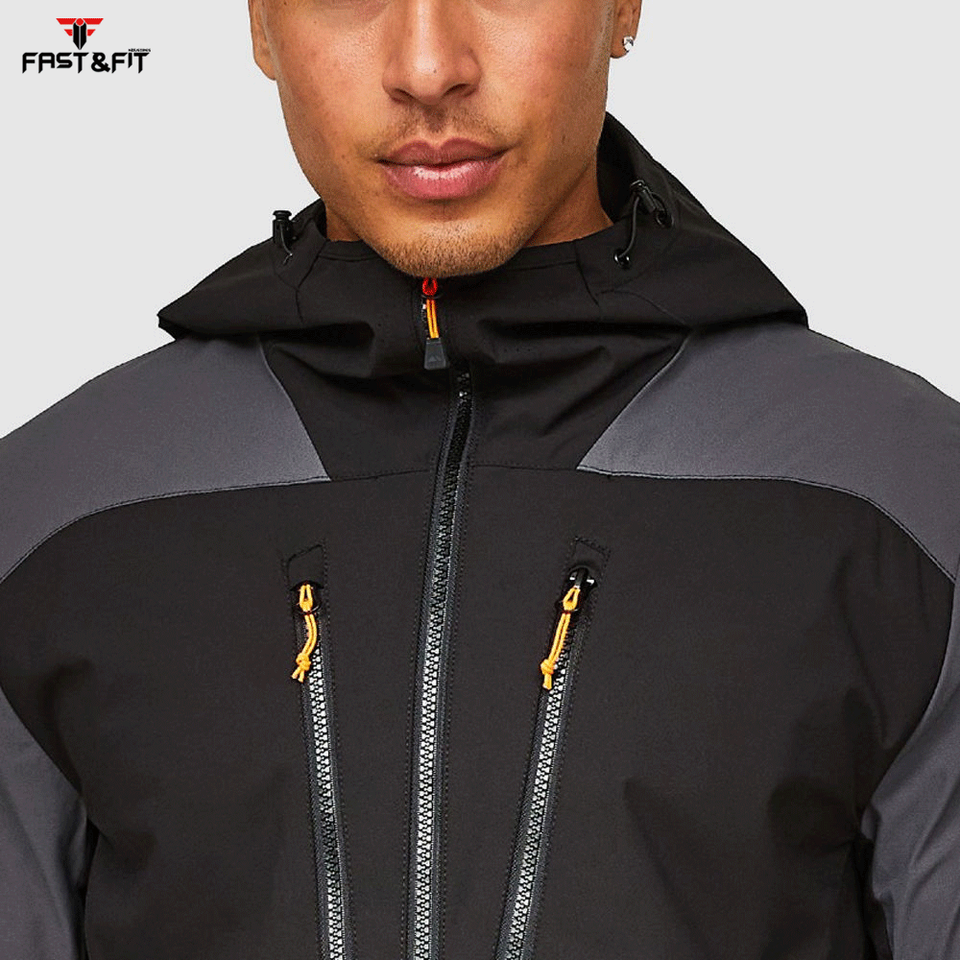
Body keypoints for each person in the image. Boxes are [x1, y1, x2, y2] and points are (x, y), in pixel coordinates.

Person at [1, 0, 957, 957]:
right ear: (261, 24)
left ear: (623, 8)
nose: (428, 67)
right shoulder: (48, 517)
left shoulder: (903, 496)